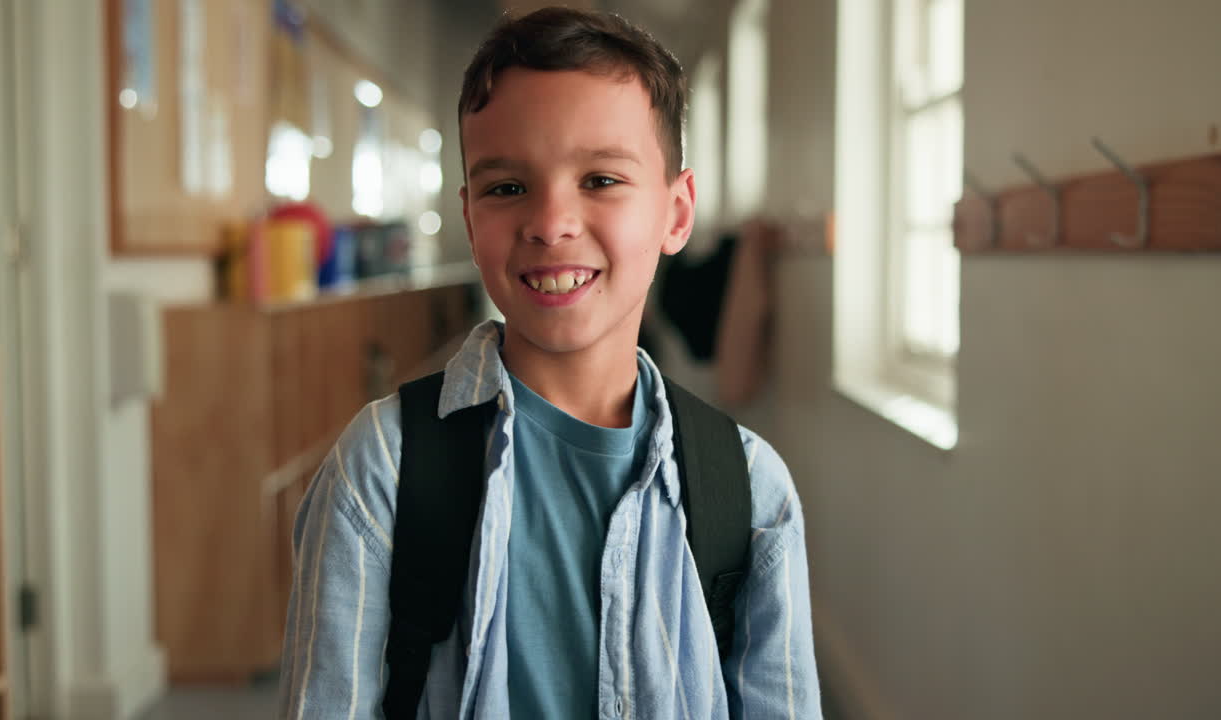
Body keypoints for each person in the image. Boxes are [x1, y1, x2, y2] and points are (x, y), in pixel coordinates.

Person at [278, 7, 822, 719]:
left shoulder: (750, 494)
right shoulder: (382, 467)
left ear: (676, 213)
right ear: (472, 220)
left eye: (600, 180)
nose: (550, 221)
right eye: (507, 188)